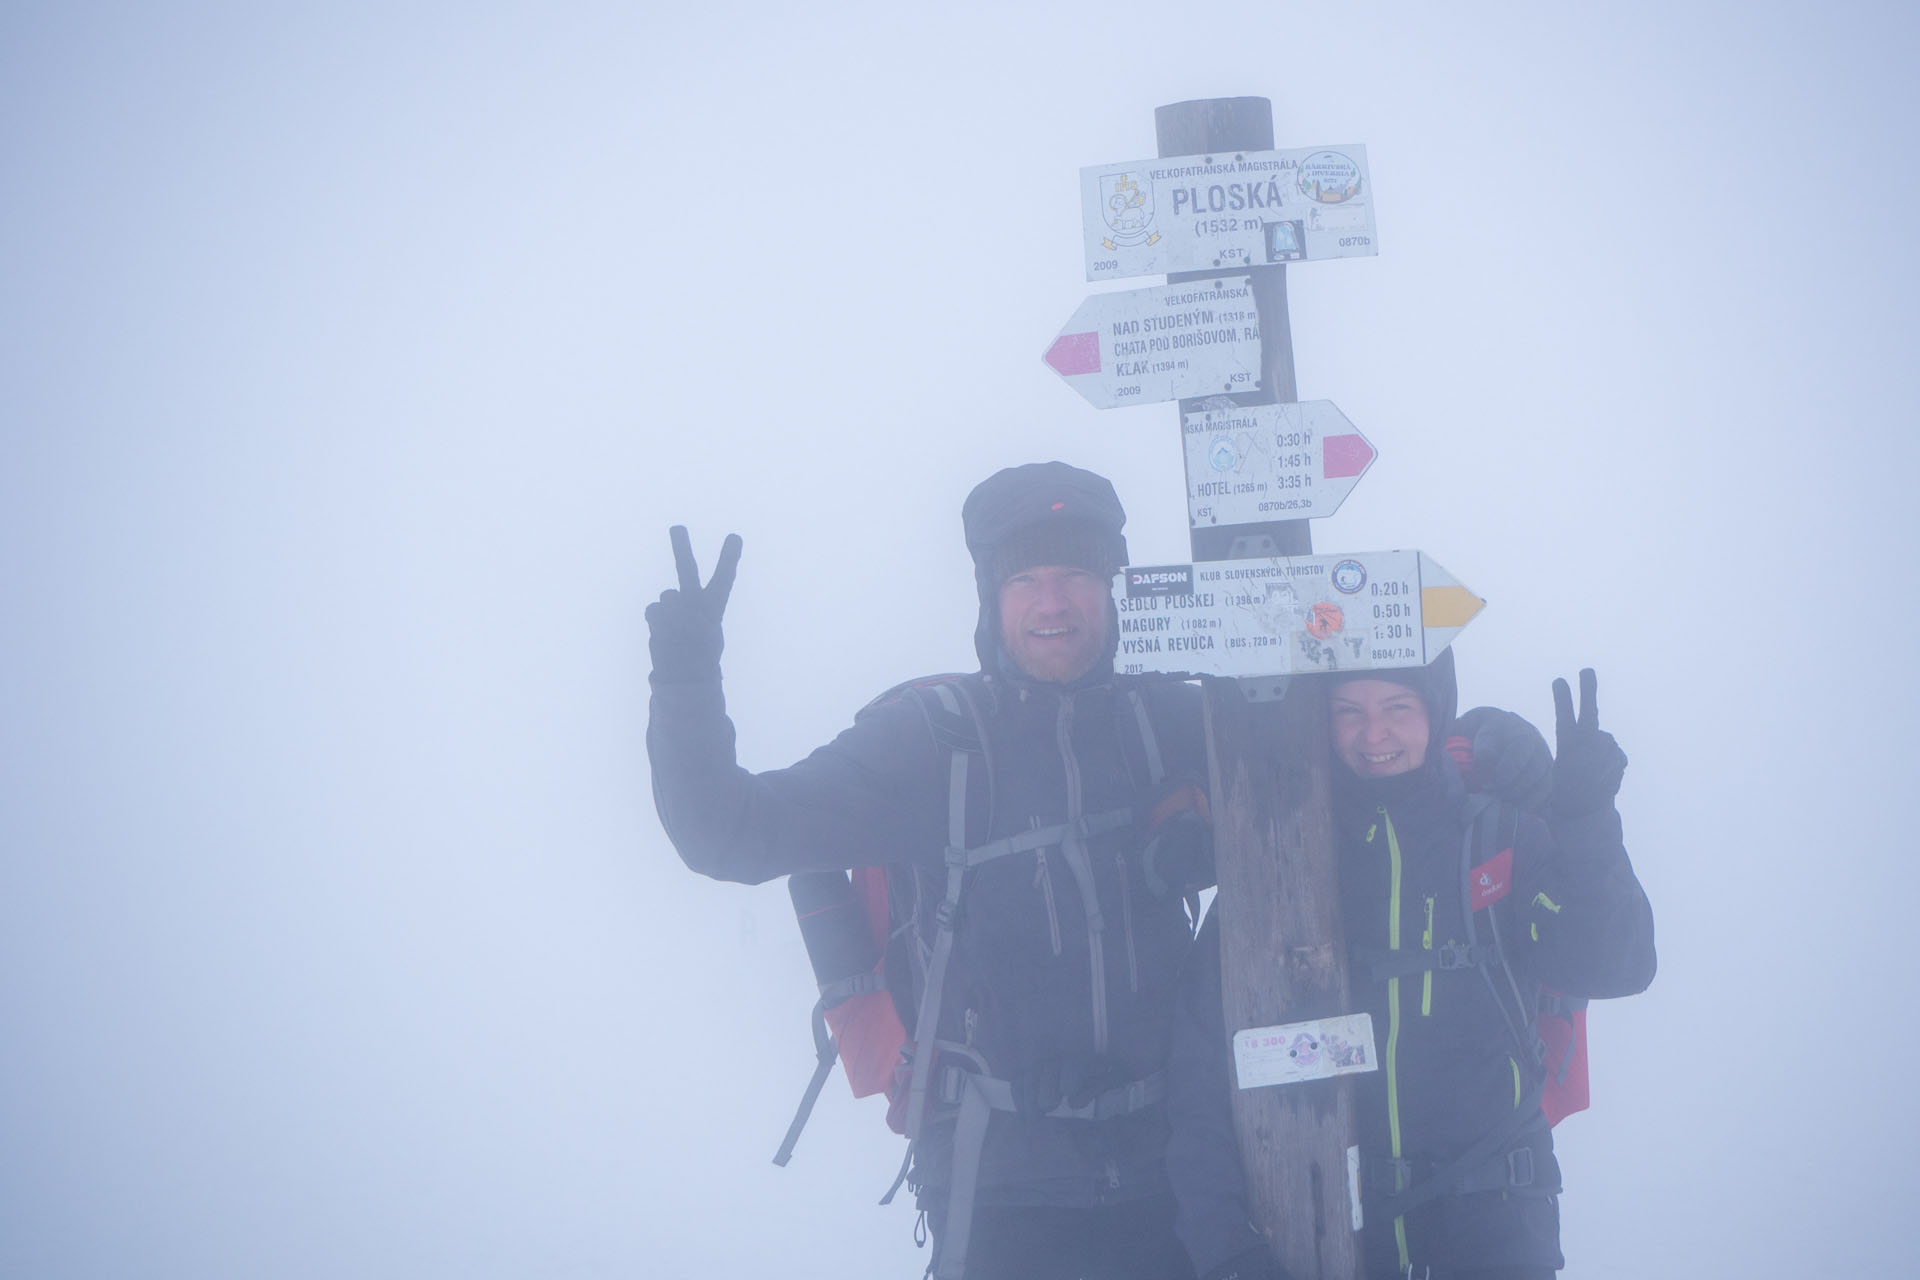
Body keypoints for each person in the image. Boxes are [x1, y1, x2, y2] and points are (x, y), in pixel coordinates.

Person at [648, 462, 1211, 1280]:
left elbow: (1336, 771)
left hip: (1175, 1172)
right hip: (999, 1194)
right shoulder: (930, 744)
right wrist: (688, 683)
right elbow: (727, 835)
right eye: (1025, 579)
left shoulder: (1165, 721)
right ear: (991, 598)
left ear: (1110, 589)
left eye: (1077, 574)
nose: (1052, 602)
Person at [1165, 657, 1656, 1280]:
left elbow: (1616, 966)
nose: (1375, 734)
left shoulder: (1502, 839)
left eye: (1398, 707)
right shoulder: (1276, 862)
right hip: (1323, 1230)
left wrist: (1586, 824)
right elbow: (1200, 1074)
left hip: (1497, 1225)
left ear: (1435, 712)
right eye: (1350, 711)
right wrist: (1228, 1252)